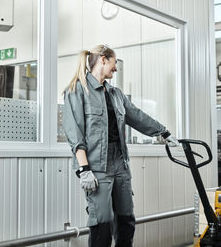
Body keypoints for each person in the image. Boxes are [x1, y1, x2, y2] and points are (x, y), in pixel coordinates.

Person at [63, 44, 179, 247]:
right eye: (114, 63)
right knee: (102, 224)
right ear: (103, 59)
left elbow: (137, 116)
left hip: (120, 164)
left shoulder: (116, 94)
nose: (115, 69)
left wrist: (163, 132)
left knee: (126, 221)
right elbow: (75, 134)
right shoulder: (77, 90)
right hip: (97, 166)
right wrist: (84, 169)